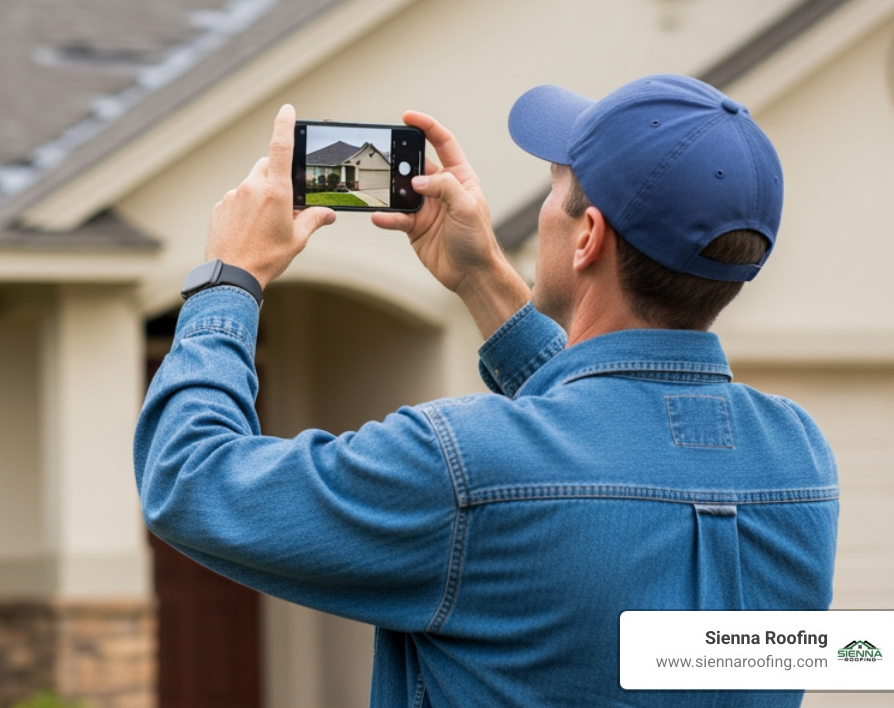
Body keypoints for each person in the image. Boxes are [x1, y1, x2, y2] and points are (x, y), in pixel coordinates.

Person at [134, 75, 837, 707]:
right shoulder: (800, 460)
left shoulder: (464, 468)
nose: (543, 210)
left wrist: (230, 279)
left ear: (588, 236)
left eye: (556, 190)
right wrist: (483, 279)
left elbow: (191, 480)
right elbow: (602, 444)